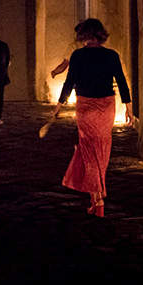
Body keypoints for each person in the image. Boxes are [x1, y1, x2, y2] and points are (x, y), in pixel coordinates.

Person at [49, 18, 134, 217]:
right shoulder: (112, 55)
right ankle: (96, 195)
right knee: (102, 150)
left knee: (88, 149)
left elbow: (69, 83)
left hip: (86, 106)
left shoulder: (78, 55)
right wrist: (129, 108)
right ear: (101, 34)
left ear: (85, 35)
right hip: (106, 107)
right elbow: (121, 82)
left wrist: (59, 104)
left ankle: (97, 197)